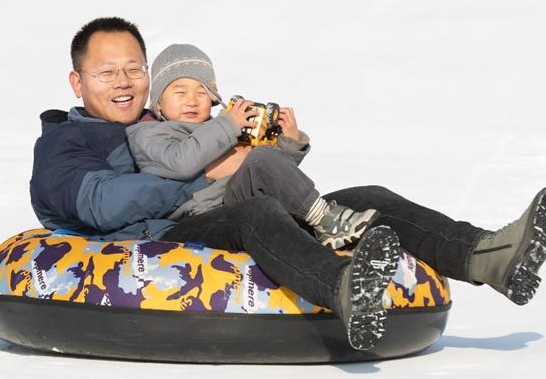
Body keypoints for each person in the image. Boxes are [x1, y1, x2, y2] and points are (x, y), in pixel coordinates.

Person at [29, 16, 546, 351]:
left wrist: (278, 149)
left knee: (364, 199)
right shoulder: (65, 145)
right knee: (256, 215)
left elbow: (243, 168)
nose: (123, 83)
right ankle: (344, 290)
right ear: (78, 81)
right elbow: (104, 204)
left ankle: (487, 255)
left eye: (133, 69)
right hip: (163, 234)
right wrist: (207, 173)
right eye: (107, 72)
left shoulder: (162, 119)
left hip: (215, 206)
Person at [124, 43, 378, 250]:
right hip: (198, 217)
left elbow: (270, 173)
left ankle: (336, 234)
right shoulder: (149, 133)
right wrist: (227, 125)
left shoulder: (218, 129)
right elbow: (180, 162)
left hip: (235, 201)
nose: (192, 101)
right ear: (158, 102)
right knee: (260, 164)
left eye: (202, 93)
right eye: (180, 92)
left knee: (263, 161)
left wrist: (288, 144)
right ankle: (325, 221)